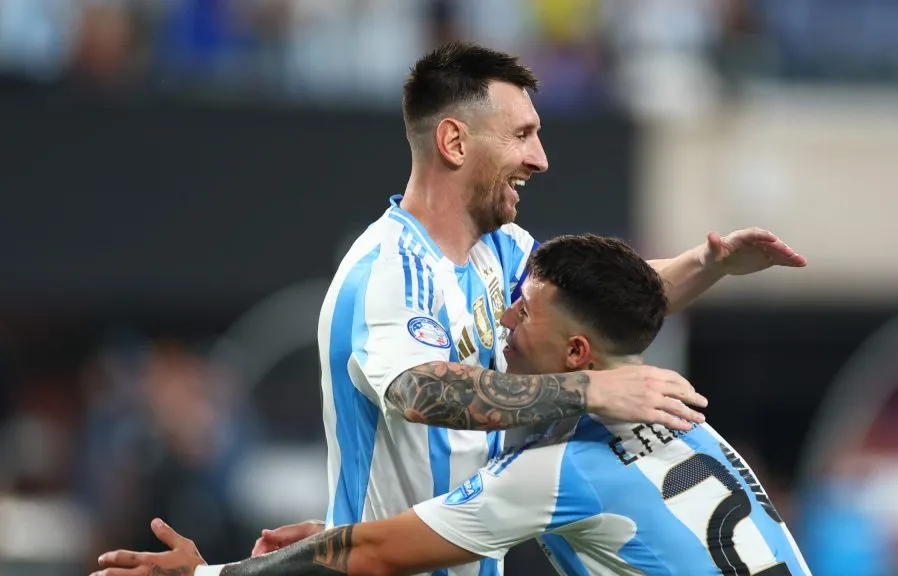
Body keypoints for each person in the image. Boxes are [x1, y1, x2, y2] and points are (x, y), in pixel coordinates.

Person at [258, 40, 805, 575]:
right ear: (454, 142)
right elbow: (418, 391)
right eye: (522, 134)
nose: (539, 159)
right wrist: (591, 388)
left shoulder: (504, 249)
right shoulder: (390, 271)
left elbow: (589, 311)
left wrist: (706, 265)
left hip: (427, 548)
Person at [92, 233, 812, 576]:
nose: (503, 321)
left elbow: (375, 554)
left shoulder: (563, 469)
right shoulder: (685, 421)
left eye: (522, 312)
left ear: (577, 361)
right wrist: (706, 264)